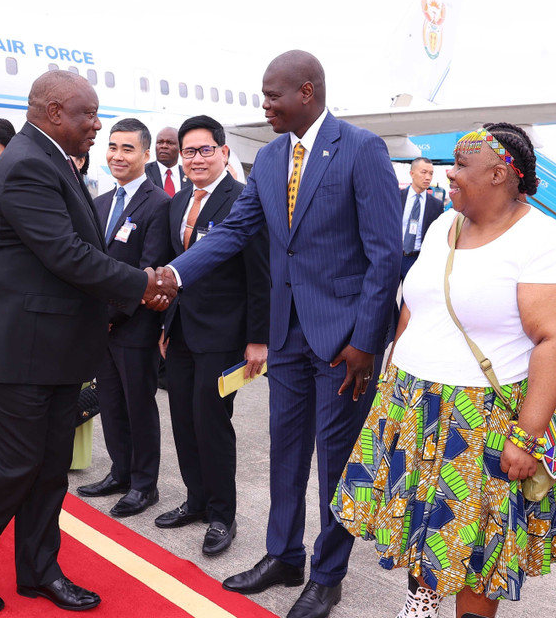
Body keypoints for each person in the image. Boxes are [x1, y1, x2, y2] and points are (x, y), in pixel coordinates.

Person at [158, 50, 401, 618]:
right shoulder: (268, 159)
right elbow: (234, 231)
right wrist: (172, 274)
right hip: (287, 334)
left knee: (334, 462)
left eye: (273, 96)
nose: (263, 105)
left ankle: (328, 573)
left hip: (345, 341)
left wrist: (368, 341)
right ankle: (282, 555)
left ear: (307, 92)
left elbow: (385, 255)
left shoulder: (360, 149)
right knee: (286, 452)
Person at [0, 71, 174, 614]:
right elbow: (66, 254)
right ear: (56, 112)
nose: (97, 125)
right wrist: (143, 284)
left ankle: (38, 569)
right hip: (13, 348)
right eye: (89, 115)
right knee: (11, 465)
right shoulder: (28, 164)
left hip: (52, 348)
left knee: (48, 468)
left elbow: (73, 253)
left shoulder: (52, 160)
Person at [333, 123, 556, 618]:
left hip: (480, 417)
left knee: (479, 545)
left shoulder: (544, 240)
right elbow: (415, 304)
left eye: (461, 164)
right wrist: (393, 369)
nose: (449, 172)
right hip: (412, 402)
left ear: (499, 174)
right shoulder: (441, 225)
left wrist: (528, 436)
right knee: (418, 524)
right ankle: (419, 607)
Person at [154, 115, 270, 557]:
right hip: (181, 332)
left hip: (224, 335)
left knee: (212, 422)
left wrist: (258, 339)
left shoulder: (244, 200)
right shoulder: (177, 202)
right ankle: (196, 500)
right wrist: (165, 327)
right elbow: (173, 268)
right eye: (189, 151)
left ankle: (223, 515)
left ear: (224, 153)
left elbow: (260, 277)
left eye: (205, 150)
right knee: (182, 417)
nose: (196, 159)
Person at [76, 118, 171, 518]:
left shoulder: (159, 205)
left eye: (128, 148)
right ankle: (120, 471)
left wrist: (110, 315)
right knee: (111, 401)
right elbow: (90, 265)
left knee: (138, 404)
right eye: (112, 146)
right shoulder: (99, 204)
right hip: (103, 327)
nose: (117, 155)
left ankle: (144, 484)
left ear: (145, 154)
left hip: (135, 326)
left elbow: (150, 273)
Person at [401, 157, 445, 281]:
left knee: (409, 299)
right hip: (395, 256)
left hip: (417, 260)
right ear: (412, 174)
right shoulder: (396, 197)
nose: (428, 177)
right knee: (386, 297)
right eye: (424, 172)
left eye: (431, 173)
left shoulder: (436, 205)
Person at [145, 126, 185, 196]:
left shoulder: (188, 174)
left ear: (180, 147)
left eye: (170, 143)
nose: (164, 146)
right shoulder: (143, 172)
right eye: (160, 142)